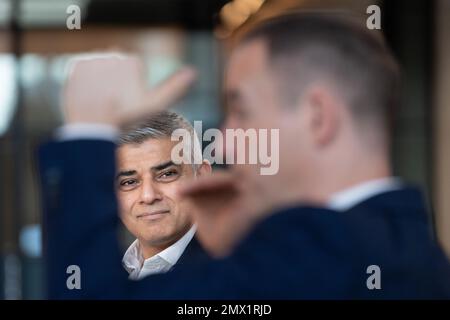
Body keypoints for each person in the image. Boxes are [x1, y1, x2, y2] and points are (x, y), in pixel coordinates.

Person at [38, 13, 450, 299]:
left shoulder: (317, 250)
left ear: (318, 116)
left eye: (242, 110)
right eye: (127, 180)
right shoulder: (413, 246)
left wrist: (87, 128)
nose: (229, 140)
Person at [116, 112, 211, 280]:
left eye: (167, 174)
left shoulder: (237, 273)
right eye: (129, 182)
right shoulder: (97, 275)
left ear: (202, 177)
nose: (148, 196)